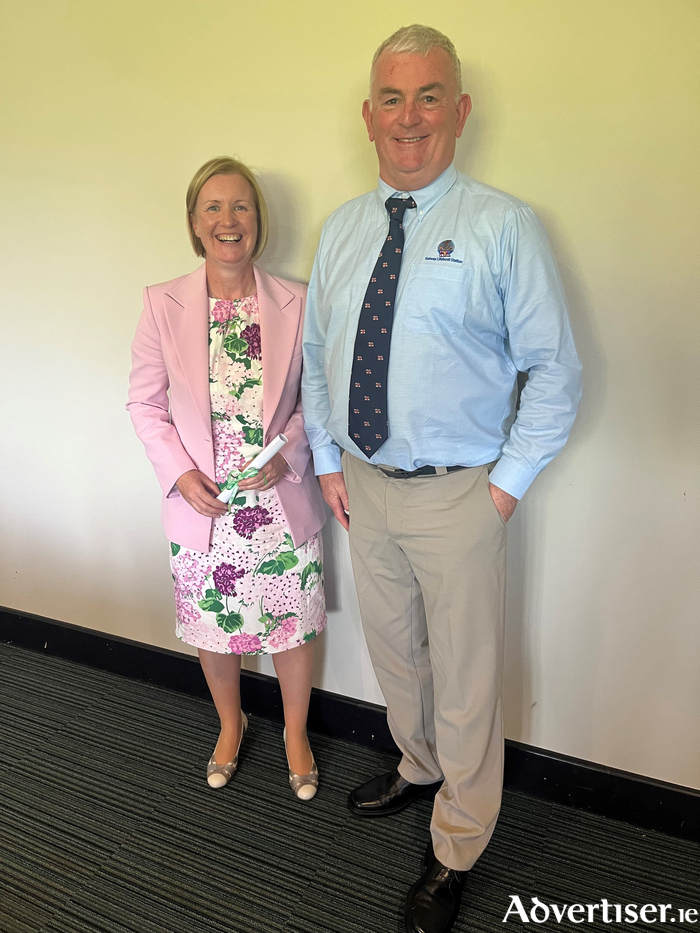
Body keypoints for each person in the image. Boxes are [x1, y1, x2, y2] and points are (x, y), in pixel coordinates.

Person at [302, 24, 582, 933]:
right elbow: (315, 359)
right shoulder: (343, 230)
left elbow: (556, 369)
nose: (409, 117)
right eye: (392, 97)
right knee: (396, 653)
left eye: (429, 96)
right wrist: (331, 460)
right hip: (366, 488)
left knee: (465, 677)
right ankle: (418, 766)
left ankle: (458, 840)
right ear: (368, 114)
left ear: (459, 111)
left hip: (462, 490)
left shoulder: (504, 226)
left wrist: (503, 485)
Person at [128, 156, 327, 800]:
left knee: (289, 627)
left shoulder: (298, 301)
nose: (228, 220)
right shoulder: (163, 304)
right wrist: (180, 474)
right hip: (203, 505)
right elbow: (144, 404)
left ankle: (296, 733)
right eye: (212, 207)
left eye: (240, 206)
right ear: (194, 222)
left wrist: (289, 451)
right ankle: (230, 724)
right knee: (215, 628)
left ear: (258, 221)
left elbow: (315, 401)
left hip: (279, 500)